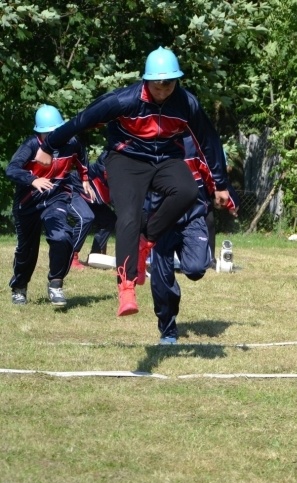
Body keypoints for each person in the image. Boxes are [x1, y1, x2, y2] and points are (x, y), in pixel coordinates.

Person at [34, 46, 230, 317]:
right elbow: (81, 120)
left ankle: (146, 240)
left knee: (186, 191)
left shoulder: (186, 103)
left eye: (168, 86)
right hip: (127, 160)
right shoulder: (124, 100)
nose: (162, 92)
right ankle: (126, 288)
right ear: (146, 80)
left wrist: (220, 184)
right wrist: (50, 145)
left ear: (177, 81)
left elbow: (207, 141)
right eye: (157, 87)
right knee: (128, 216)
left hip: (166, 159)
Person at [148, 136, 236, 344]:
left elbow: (214, 173)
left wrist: (229, 198)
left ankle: (173, 297)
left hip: (193, 217)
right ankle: (168, 330)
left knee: (196, 269)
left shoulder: (194, 143)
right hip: (161, 221)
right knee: (161, 280)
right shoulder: (147, 145)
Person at [6, 105, 88, 306]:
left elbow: (82, 159)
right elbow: (11, 169)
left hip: (56, 198)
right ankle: (19, 287)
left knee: (61, 236)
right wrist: (32, 179)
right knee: (27, 250)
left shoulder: (72, 143)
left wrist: (85, 178)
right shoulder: (31, 145)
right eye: (46, 134)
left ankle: (55, 283)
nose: (51, 138)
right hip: (28, 203)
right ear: (39, 133)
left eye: (55, 133)